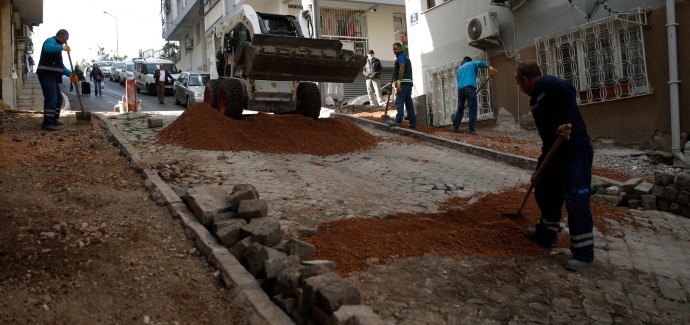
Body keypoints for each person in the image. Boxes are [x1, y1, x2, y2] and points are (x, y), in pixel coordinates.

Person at [514, 61, 594, 272]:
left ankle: (583, 253)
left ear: (524, 80)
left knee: (576, 199)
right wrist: (539, 168)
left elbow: (568, 89)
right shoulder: (535, 102)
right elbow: (548, 140)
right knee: (544, 188)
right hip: (555, 152)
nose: (520, 90)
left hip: (575, 150)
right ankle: (546, 233)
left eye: (520, 85)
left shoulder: (550, 85)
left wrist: (566, 122)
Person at [36, 29, 75, 131]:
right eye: (65, 40)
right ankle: (47, 123)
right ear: (63, 37)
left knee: (58, 99)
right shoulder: (50, 41)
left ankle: (53, 119)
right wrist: (62, 47)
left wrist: (71, 74)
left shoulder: (57, 48)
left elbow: (60, 66)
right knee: (51, 98)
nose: (65, 42)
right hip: (46, 74)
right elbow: (47, 49)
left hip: (53, 75)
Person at [453, 56, 496, 135]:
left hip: (460, 90)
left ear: (463, 61)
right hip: (469, 88)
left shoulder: (459, 69)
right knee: (473, 109)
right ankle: (471, 129)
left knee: (460, 109)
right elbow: (481, 63)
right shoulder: (472, 63)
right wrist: (490, 67)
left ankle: (456, 128)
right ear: (469, 61)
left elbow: (459, 80)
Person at [385, 42, 416, 129]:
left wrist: (398, 82)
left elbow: (402, 68)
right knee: (409, 103)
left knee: (399, 101)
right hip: (408, 83)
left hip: (402, 83)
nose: (394, 51)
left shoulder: (401, 57)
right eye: (393, 49)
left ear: (400, 48)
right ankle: (413, 123)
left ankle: (398, 121)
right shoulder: (406, 57)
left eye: (396, 49)